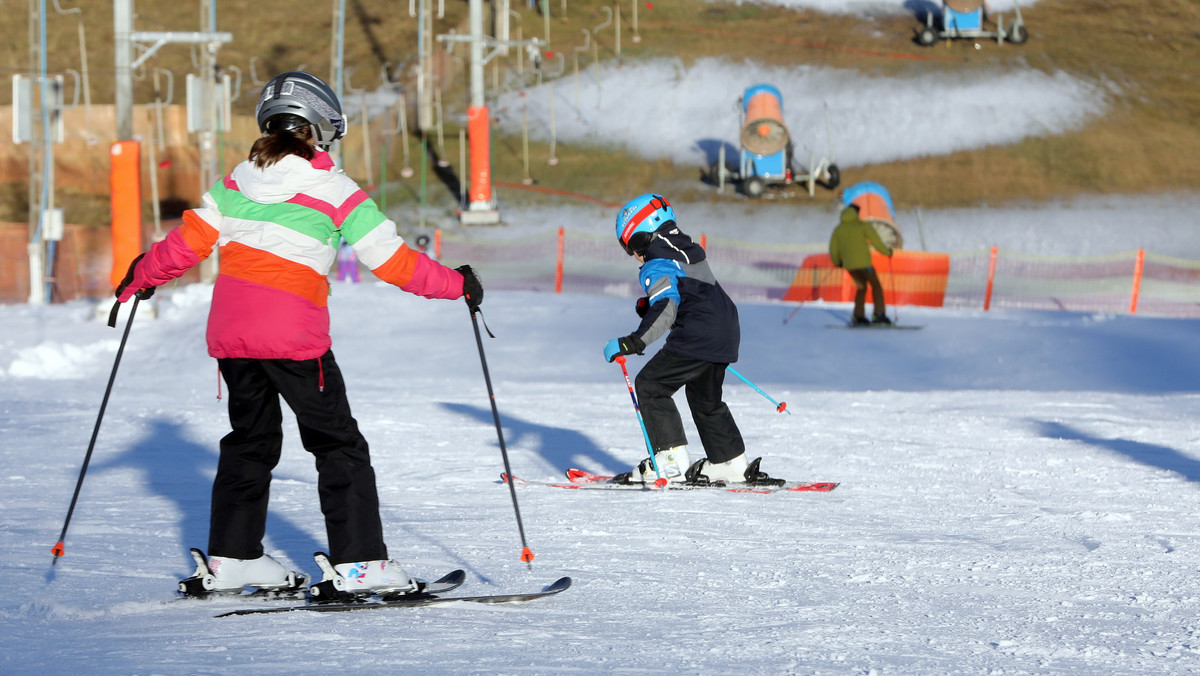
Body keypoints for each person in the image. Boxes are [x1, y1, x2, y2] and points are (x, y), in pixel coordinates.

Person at [114, 71, 484, 597]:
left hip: (233, 338)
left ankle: (234, 559)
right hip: (293, 337)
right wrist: (458, 286)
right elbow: (393, 262)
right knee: (337, 444)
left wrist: (139, 278)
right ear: (318, 130)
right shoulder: (334, 189)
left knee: (249, 442)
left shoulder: (233, 184)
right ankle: (361, 565)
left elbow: (181, 248)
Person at [602, 194, 781, 487]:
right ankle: (729, 462)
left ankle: (669, 461)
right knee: (705, 398)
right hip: (725, 330)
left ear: (645, 236)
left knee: (651, 385)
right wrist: (651, 306)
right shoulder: (687, 252)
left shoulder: (656, 262)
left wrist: (634, 341)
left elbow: (667, 307)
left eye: (632, 245)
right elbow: (692, 294)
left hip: (697, 335)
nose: (634, 255)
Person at [829, 203, 893, 326]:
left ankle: (858, 316)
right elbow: (876, 242)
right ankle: (879, 314)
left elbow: (833, 249)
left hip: (850, 266)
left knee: (861, 287)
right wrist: (887, 252)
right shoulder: (862, 226)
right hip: (864, 264)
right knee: (876, 286)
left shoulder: (838, 230)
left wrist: (837, 262)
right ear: (856, 213)